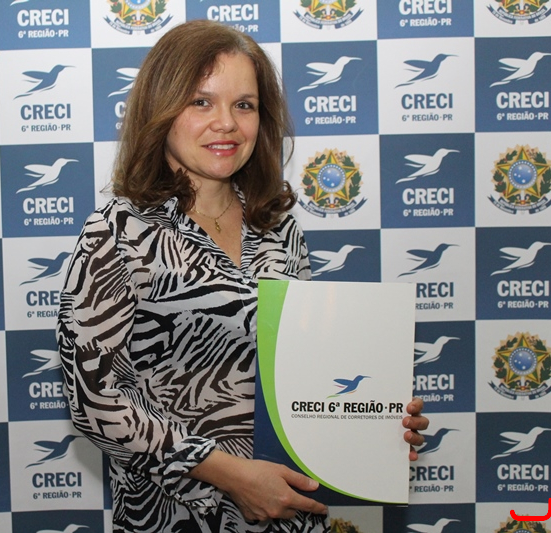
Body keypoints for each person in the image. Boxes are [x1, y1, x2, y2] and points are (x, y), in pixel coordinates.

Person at [57, 20, 428, 533]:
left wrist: (374, 424)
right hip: (176, 516)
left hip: (290, 514)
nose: (227, 123)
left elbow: (307, 370)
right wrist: (233, 477)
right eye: (201, 102)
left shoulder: (278, 227)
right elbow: (93, 400)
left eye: (245, 105)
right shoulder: (119, 231)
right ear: (161, 110)